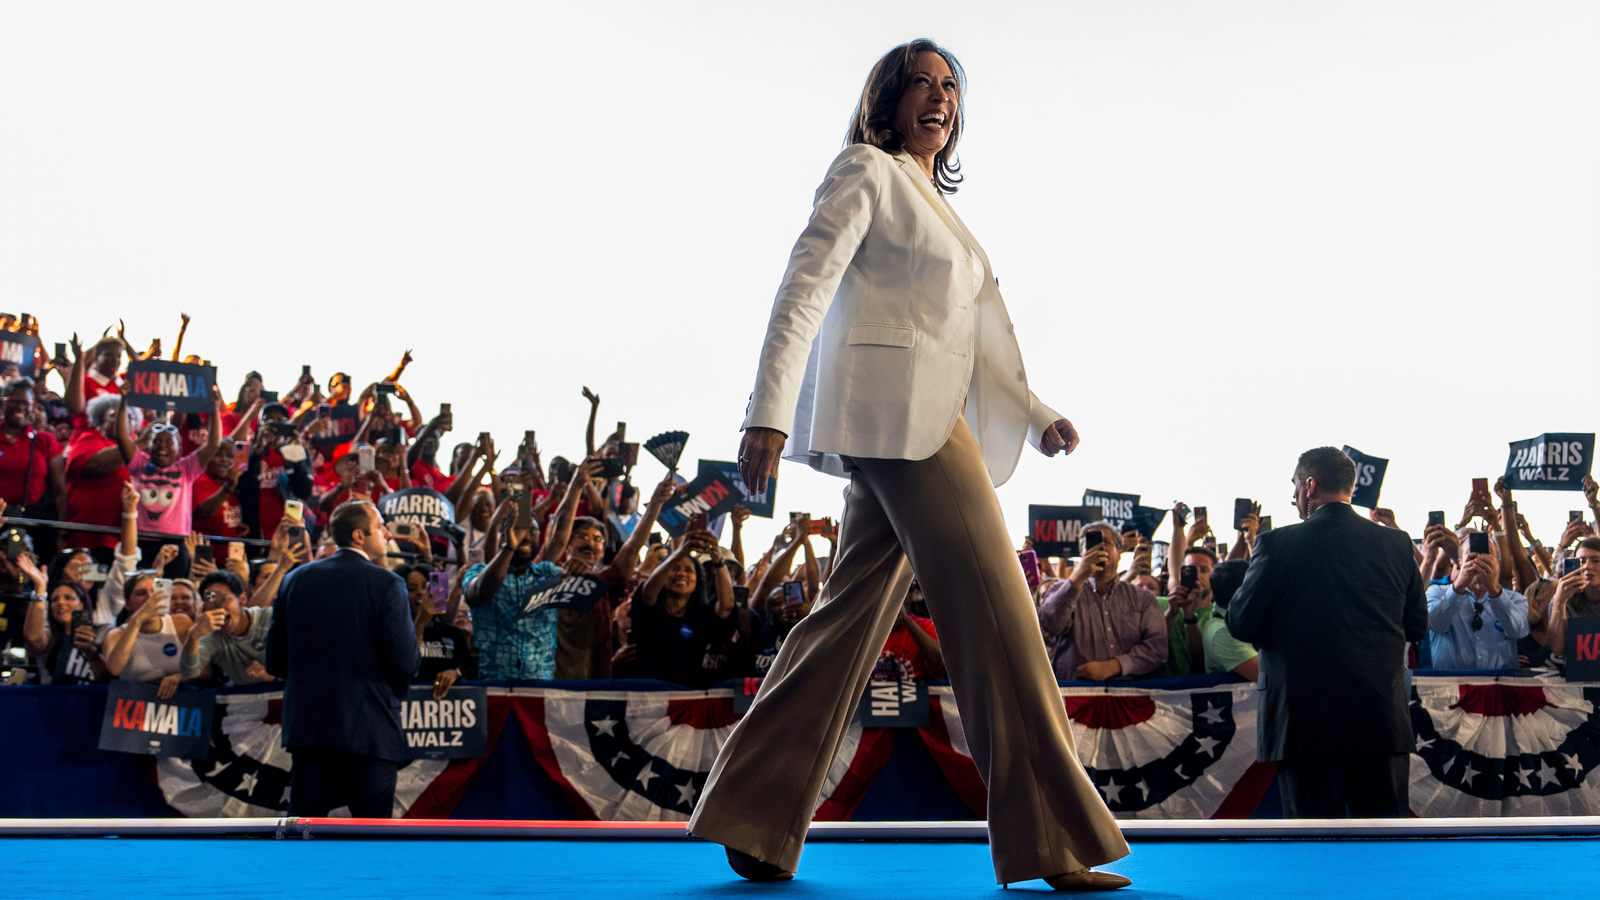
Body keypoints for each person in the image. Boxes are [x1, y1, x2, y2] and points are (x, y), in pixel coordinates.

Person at [690, 40, 1129, 890]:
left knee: (843, 621)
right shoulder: (865, 169)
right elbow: (803, 286)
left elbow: (966, 335)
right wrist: (767, 415)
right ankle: (1052, 841)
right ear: (885, 99)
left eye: (951, 86)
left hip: (921, 419)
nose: (940, 97)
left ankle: (754, 815)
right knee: (1001, 619)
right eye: (921, 83)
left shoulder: (936, 202)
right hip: (901, 425)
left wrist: (1036, 415)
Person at [1227, 447, 1428, 818]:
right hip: (1380, 722)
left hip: (1305, 727)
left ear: (1309, 485)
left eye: (1294, 487)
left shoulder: (1276, 544)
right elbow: (1417, 626)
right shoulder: (1397, 544)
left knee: (1313, 850)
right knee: (1388, 850)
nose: (1292, 498)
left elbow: (1241, 624)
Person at [264, 500, 419, 817]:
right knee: (370, 845)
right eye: (380, 527)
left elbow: (275, 661)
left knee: (306, 837)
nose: (387, 534)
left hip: (310, 732)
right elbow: (405, 663)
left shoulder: (294, 580)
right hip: (370, 732)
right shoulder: (387, 583)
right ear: (360, 536)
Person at [1037, 522, 1168, 681]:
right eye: (1091, 543)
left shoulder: (1143, 598)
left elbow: (1157, 649)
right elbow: (1049, 625)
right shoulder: (1060, 590)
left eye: (1105, 542)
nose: (1099, 547)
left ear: (1119, 552)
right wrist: (1078, 576)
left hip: (1130, 696)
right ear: (1081, 554)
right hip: (1077, 696)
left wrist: (1115, 666)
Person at [1425, 527, 1529, 670]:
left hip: (1498, 686)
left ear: (1498, 563)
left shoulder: (1516, 600)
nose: (1480, 560)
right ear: (1460, 562)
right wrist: (1459, 587)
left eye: (1487, 555)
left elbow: (1518, 631)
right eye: (1472, 555)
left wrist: (1494, 589)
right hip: (1452, 686)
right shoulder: (1436, 592)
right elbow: (1435, 624)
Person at [179, 569, 275, 686]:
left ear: (242, 599)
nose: (219, 608)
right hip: (245, 699)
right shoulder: (213, 636)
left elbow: (301, 656)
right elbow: (189, 672)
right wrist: (193, 635)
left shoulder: (269, 618)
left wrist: (273, 675)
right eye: (212, 601)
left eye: (224, 599)